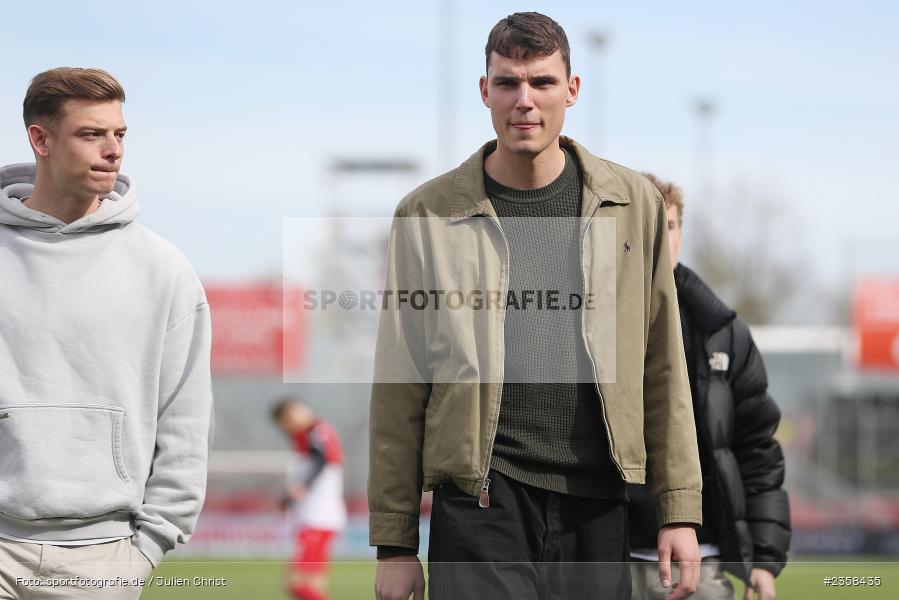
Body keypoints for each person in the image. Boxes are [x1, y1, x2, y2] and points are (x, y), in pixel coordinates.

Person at [370, 12, 703, 600]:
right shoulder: (424, 215)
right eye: (507, 83)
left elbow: (663, 366)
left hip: (597, 502)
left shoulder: (634, 206)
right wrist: (395, 543)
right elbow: (400, 386)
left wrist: (679, 508)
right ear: (485, 91)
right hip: (479, 505)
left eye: (542, 82)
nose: (525, 100)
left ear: (572, 91)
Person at [0, 68, 213, 599]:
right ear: (40, 139)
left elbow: (185, 418)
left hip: (107, 557)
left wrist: (148, 547)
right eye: (91, 134)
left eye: (119, 134)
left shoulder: (163, 269)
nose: (112, 150)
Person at [628, 174, 791, 600]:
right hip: (606, 560)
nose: (661, 237)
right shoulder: (584, 322)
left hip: (703, 563)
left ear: (681, 232)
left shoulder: (724, 332)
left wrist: (763, 561)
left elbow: (756, 448)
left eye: (669, 225)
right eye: (646, 225)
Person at [273, 398, 347, 600]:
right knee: (313, 585)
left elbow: (320, 458)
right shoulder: (307, 435)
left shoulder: (317, 432)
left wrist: (301, 487)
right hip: (318, 518)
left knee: (297, 583)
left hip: (317, 519)